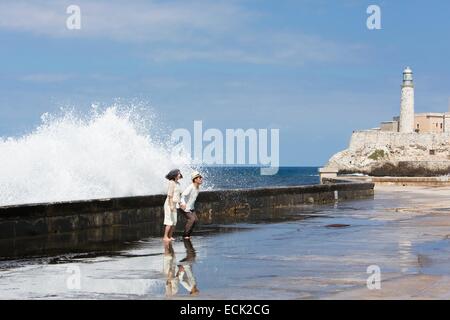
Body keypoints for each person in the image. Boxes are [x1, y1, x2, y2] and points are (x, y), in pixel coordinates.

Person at [179, 171, 203, 240]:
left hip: (191, 208)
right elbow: (183, 195)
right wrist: (183, 204)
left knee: (195, 220)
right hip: (184, 207)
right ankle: (185, 235)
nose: (201, 179)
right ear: (195, 179)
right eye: (199, 178)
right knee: (191, 219)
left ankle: (188, 235)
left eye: (201, 177)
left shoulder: (197, 187)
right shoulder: (191, 187)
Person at [163, 169, 183, 242]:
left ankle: (170, 236)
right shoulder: (171, 183)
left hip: (174, 204)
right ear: (174, 175)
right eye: (178, 173)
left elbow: (178, 195)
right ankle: (165, 237)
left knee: (174, 222)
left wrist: (180, 203)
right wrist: (171, 205)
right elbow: (170, 195)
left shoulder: (178, 183)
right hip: (169, 204)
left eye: (180, 173)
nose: (180, 175)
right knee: (169, 221)